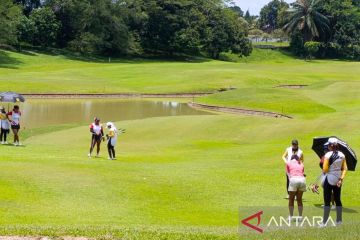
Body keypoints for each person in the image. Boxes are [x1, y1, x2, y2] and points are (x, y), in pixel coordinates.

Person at [321, 138, 347, 226]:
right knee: (338, 200)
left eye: (328, 145)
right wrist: (341, 179)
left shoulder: (327, 155)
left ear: (331, 145)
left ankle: (324, 222)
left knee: (327, 201)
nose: (327, 146)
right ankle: (339, 220)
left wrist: (325, 168)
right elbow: (344, 169)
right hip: (338, 180)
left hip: (329, 179)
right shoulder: (342, 155)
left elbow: (325, 169)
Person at [286, 153, 306, 220]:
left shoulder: (288, 163)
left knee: (291, 199)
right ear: (298, 159)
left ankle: (291, 216)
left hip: (294, 180)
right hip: (302, 180)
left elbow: (288, 174)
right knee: (299, 199)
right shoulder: (301, 164)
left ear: (291, 159)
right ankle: (300, 217)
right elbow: (303, 173)